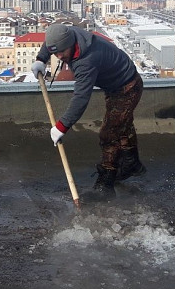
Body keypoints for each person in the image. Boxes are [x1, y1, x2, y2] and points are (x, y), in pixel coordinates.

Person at [31, 23, 145, 200]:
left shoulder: (86, 60)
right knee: (122, 124)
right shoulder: (68, 36)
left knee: (109, 134)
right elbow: (51, 41)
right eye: (55, 53)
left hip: (127, 87)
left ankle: (106, 184)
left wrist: (62, 126)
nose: (59, 56)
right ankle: (132, 163)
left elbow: (81, 98)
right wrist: (41, 58)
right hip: (115, 85)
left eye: (61, 52)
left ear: (70, 44)